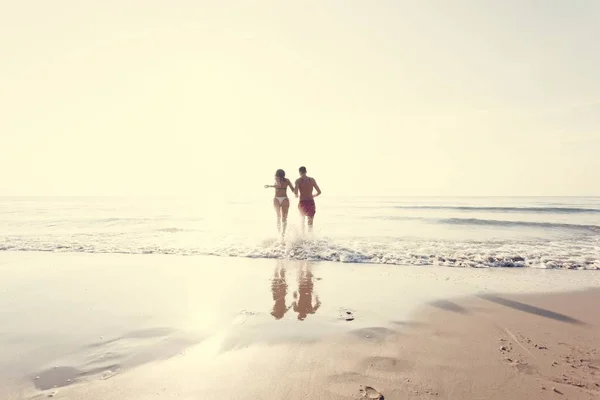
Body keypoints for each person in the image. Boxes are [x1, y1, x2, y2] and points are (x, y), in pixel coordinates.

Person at [264, 169, 295, 237]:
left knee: (279, 217)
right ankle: (282, 234)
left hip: (277, 199)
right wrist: (297, 191)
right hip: (284, 199)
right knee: (284, 218)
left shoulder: (277, 178)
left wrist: (269, 186)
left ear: (277, 174)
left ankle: (280, 234)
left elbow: (279, 186)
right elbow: (293, 190)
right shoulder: (287, 180)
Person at [294, 166, 321, 232]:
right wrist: (313, 196)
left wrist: (296, 195)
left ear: (299, 172)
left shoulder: (298, 181)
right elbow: (319, 192)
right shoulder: (312, 180)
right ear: (306, 171)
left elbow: (296, 194)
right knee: (310, 223)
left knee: (302, 221)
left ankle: (303, 237)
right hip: (311, 202)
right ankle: (310, 239)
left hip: (302, 202)